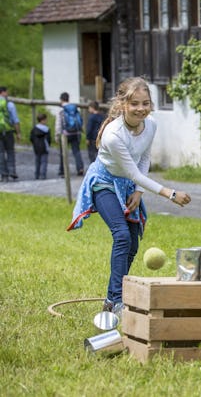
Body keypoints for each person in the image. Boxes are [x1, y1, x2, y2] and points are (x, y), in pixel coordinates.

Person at [67, 76, 192, 316]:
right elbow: (133, 171)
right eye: (135, 103)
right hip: (104, 182)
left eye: (145, 103)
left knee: (133, 242)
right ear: (123, 104)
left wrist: (138, 191)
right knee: (122, 235)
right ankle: (116, 300)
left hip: (129, 185)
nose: (141, 109)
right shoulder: (114, 135)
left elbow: (144, 159)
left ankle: (110, 297)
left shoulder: (151, 125)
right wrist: (170, 193)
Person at [55, 92, 85, 177]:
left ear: (61, 99)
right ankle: (80, 168)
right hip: (76, 132)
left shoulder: (61, 110)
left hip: (65, 134)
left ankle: (63, 171)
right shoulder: (74, 108)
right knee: (76, 151)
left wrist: (57, 135)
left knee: (63, 152)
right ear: (68, 99)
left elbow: (58, 124)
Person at [0, 86, 21, 182]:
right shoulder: (10, 104)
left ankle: (4, 175)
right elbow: (15, 120)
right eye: (6, 92)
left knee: (0, 154)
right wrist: (18, 133)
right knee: (10, 151)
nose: (7, 94)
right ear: (3, 92)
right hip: (8, 132)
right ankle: (12, 171)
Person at [29, 112, 51, 180]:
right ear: (43, 120)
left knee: (37, 162)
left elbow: (31, 138)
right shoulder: (47, 129)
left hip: (36, 148)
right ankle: (43, 175)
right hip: (44, 148)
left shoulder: (34, 129)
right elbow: (49, 139)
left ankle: (37, 175)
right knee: (44, 162)